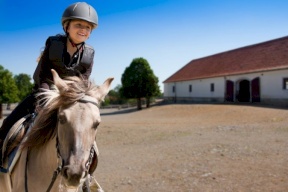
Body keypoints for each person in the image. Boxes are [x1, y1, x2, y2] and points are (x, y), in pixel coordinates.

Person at [0, 2, 98, 166]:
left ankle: (88, 173)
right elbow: (41, 75)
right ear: (67, 26)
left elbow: (84, 81)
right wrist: (47, 98)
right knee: (7, 124)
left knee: (89, 132)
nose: (83, 29)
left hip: (70, 98)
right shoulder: (53, 45)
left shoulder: (89, 54)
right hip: (44, 93)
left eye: (88, 27)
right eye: (78, 25)